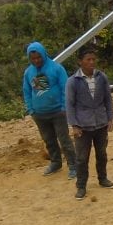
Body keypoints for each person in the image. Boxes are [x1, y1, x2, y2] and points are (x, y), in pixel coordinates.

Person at [65, 46, 113, 200]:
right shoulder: (73, 82)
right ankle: (81, 186)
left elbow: (108, 98)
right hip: (82, 126)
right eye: (88, 60)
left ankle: (103, 178)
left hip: (100, 123)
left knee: (102, 153)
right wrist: (74, 125)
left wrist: (110, 118)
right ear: (80, 62)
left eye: (93, 59)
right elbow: (70, 104)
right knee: (81, 158)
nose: (92, 62)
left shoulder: (101, 77)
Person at [22, 41, 77, 179]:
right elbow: (27, 91)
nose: (36, 61)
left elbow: (66, 88)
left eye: (38, 57)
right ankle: (55, 163)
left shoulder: (56, 68)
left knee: (64, 139)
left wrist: (65, 107)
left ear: (44, 54)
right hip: (40, 114)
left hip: (58, 111)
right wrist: (31, 109)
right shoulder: (29, 72)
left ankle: (73, 165)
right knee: (49, 140)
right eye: (33, 58)